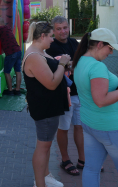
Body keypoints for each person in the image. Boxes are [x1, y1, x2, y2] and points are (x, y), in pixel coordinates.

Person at [22, 21, 70, 187]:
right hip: (45, 108)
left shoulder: (39, 52)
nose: (52, 40)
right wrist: (62, 64)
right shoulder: (34, 56)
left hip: (48, 107)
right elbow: (51, 83)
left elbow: (49, 69)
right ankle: (40, 183)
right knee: (43, 146)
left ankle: (46, 176)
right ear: (42, 36)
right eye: (50, 36)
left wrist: (58, 62)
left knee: (46, 144)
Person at [73, 28, 118, 187]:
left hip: (90, 124)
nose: (111, 53)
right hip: (109, 127)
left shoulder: (80, 61)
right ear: (99, 44)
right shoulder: (97, 67)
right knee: (92, 168)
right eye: (110, 48)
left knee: (91, 169)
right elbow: (100, 100)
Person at [45, 16, 81, 175]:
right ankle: (65, 159)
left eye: (65, 27)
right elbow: (65, 66)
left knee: (80, 127)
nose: (63, 31)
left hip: (80, 93)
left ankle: (83, 159)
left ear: (69, 27)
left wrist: (73, 65)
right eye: (59, 29)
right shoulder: (51, 46)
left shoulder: (74, 42)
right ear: (53, 30)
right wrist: (74, 64)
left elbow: (81, 62)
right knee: (64, 128)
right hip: (64, 95)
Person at [0, 17, 22, 96]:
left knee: (7, 72)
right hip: (18, 51)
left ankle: (10, 90)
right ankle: (17, 90)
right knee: (18, 71)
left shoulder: (0, 28)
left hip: (11, 53)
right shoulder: (7, 28)